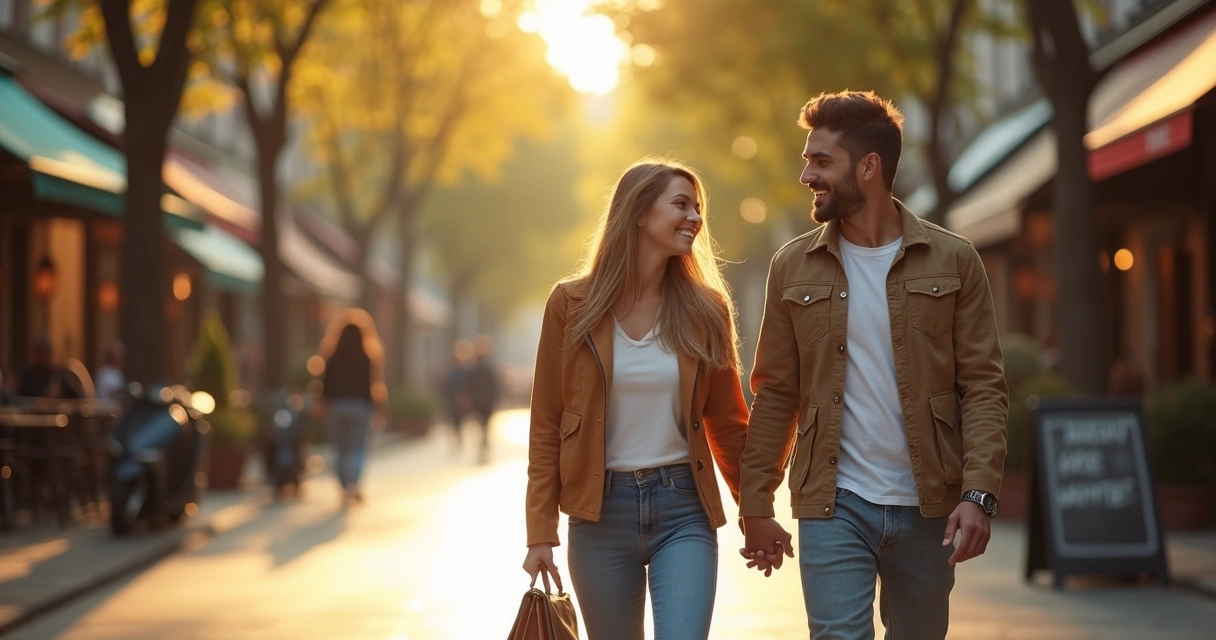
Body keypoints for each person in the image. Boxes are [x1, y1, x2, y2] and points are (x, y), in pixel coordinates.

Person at [738, 91, 1008, 639]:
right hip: (834, 504)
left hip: (930, 506)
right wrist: (755, 502)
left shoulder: (955, 261)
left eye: (820, 161)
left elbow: (983, 387)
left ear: (868, 168)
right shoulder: (792, 267)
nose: (805, 174)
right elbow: (776, 394)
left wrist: (979, 494)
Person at [521, 159, 750, 640]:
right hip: (599, 515)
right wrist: (540, 532)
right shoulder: (570, 305)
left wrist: (757, 507)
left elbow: (728, 421)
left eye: (698, 207)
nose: (695, 217)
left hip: (683, 508)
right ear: (640, 212)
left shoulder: (707, 309)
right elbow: (546, 424)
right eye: (681, 204)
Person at [318, 309, 387, 507]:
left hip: (336, 406)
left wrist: (322, 404)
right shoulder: (367, 357)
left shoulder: (332, 357)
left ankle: (343, 487)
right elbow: (374, 386)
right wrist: (379, 409)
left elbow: (324, 384)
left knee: (340, 450)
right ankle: (353, 485)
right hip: (360, 406)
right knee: (357, 449)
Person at [466, 334, 501, 464]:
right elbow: (495, 385)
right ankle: (484, 440)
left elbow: (494, 385)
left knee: (482, 424)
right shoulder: (485, 369)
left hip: (481, 402)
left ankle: (483, 441)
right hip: (485, 401)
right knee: (484, 424)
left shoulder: (476, 369)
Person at [16, 337, 83, 399]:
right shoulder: (26, 375)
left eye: (46, 353)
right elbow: (20, 398)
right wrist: (44, 398)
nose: (43, 357)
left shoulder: (61, 374)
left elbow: (78, 396)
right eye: (40, 353)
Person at [442, 339, 475, 454]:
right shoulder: (452, 370)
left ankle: (459, 437)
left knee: (460, 420)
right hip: (452, 400)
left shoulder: (468, 372)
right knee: (455, 421)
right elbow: (446, 386)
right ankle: (457, 437)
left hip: (461, 400)